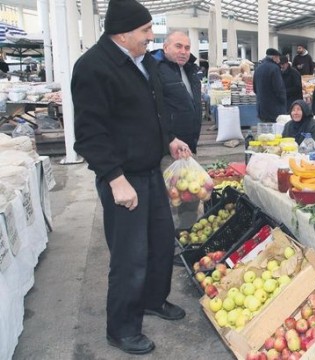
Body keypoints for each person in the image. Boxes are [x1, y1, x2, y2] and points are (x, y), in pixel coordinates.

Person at [71, 0, 189, 354]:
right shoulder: (93, 67)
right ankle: (121, 328)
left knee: (161, 243)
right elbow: (90, 133)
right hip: (123, 177)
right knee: (130, 255)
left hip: (150, 170)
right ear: (122, 34)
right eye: (145, 31)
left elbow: (153, 110)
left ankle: (153, 299)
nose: (151, 37)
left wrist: (168, 138)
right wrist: (113, 177)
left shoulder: (142, 63)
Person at [151, 31, 202, 229]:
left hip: (188, 146)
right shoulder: (157, 69)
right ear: (165, 47)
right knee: (171, 196)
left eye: (187, 48)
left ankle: (185, 235)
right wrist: (169, 139)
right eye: (178, 46)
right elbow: (154, 109)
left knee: (190, 195)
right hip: (169, 147)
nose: (183, 51)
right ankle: (169, 240)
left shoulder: (189, 69)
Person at [253, 48, 287, 123]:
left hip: (261, 108)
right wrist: (284, 101)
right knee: (275, 132)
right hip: (274, 109)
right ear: (274, 58)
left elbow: (255, 89)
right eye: (278, 58)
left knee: (265, 132)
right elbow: (279, 89)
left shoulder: (258, 68)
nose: (279, 60)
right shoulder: (274, 68)